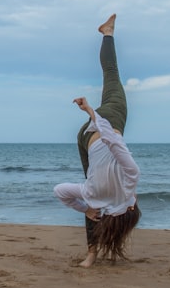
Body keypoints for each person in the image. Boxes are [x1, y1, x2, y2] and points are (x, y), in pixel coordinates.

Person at [54, 14, 141, 267]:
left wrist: (91, 112)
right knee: (92, 206)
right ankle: (91, 254)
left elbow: (113, 142)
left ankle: (108, 33)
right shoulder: (92, 195)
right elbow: (60, 191)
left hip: (105, 121)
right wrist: (85, 208)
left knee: (111, 74)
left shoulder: (131, 178)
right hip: (84, 139)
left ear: (131, 206)